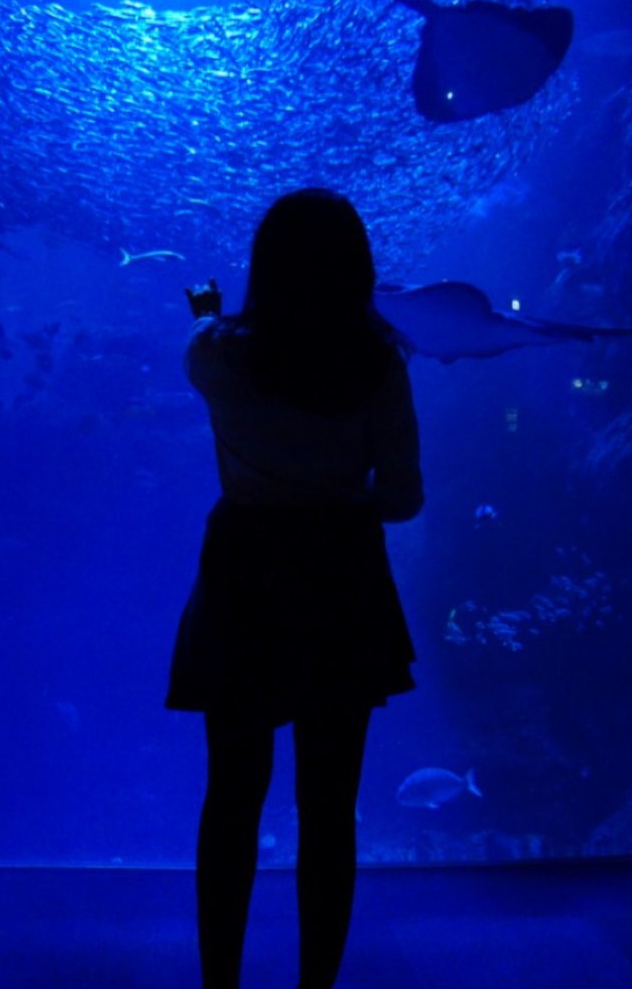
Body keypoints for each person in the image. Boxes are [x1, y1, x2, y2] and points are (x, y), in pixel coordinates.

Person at [166, 188, 424, 989]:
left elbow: (207, 335)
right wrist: (343, 495)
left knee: (232, 800)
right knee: (329, 808)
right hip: (342, 578)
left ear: (264, 268)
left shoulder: (218, 358)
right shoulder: (380, 365)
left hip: (245, 574)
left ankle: (221, 986)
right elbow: (406, 498)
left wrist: (209, 308)